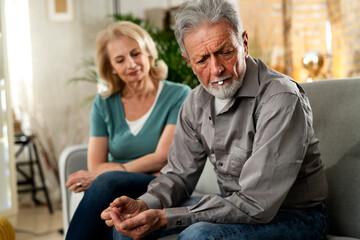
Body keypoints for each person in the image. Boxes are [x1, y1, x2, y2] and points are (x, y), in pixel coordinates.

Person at [101, 0, 330, 239]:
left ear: (244, 43)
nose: (217, 68)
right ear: (188, 62)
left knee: (198, 236)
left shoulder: (280, 98)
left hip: (297, 216)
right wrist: (145, 205)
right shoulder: (194, 103)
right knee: (128, 229)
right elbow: (179, 175)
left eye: (225, 52)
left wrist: (166, 217)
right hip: (234, 204)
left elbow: (257, 203)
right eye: (202, 60)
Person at [65, 21, 190, 240]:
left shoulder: (178, 95)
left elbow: (162, 157)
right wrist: (136, 169)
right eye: (120, 60)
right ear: (111, 67)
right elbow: (95, 165)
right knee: (111, 210)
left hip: (157, 182)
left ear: (149, 54)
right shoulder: (103, 103)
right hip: (119, 185)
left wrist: (114, 172)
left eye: (135, 54)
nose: (131, 64)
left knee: (106, 181)